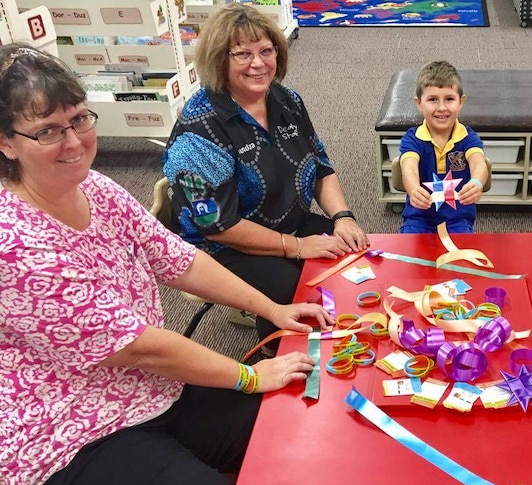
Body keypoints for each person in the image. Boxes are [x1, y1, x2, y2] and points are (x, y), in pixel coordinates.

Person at [0, 43, 334, 484]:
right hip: (73, 431)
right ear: (6, 143)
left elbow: (178, 259)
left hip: (154, 388)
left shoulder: (97, 188)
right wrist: (249, 377)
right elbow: (136, 345)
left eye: (79, 119)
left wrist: (273, 310)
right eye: (48, 131)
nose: (75, 141)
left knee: (301, 427)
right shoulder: (14, 241)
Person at [163, 3, 368, 353]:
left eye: (266, 51)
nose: (258, 64)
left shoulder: (286, 99)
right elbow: (218, 225)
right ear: (219, 59)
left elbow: (319, 164)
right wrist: (299, 247)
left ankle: (333, 340)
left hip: (288, 219)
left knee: (349, 256)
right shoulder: (199, 131)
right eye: (242, 54)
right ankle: (277, 354)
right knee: (291, 286)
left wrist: (342, 217)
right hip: (221, 247)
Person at [399, 60, 489, 234]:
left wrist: (477, 182)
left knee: (462, 258)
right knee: (409, 255)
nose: (441, 108)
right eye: (432, 100)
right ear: (419, 103)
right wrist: (413, 188)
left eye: (449, 99)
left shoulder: (468, 137)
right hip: (418, 219)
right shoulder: (412, 138)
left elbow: (479, 164)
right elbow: (408, 169)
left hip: (458, 219)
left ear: (461, 101)